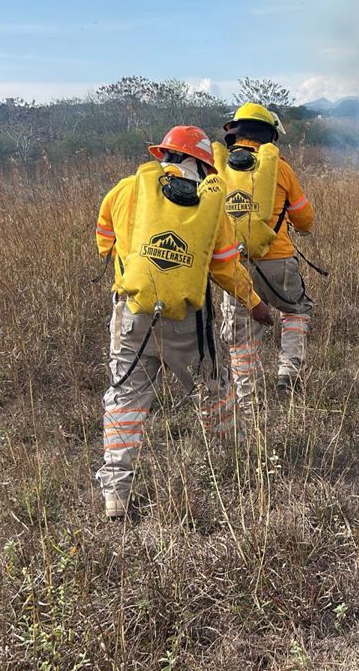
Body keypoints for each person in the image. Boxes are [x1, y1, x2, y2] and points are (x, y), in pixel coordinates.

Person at [93, 125, 272, 520]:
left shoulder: (125, 190)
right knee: (213, 388)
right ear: (204, 166)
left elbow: (103, 240)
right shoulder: (210, 205)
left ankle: (116, 496)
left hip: (130, 314)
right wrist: (256, 303)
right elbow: (225, 268)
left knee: (125, 399)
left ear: (164, 156)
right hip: (185, 322)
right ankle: (238, 465)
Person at [216, 102, 317, 406]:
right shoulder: (280, 168)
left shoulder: (217, 168)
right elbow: (305, 218)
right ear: (268, 134)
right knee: (296, 309)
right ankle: (288, 370)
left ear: (236, 133)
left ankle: (248, 402)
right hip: (278, 261)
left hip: (234, 268)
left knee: (241, 336)